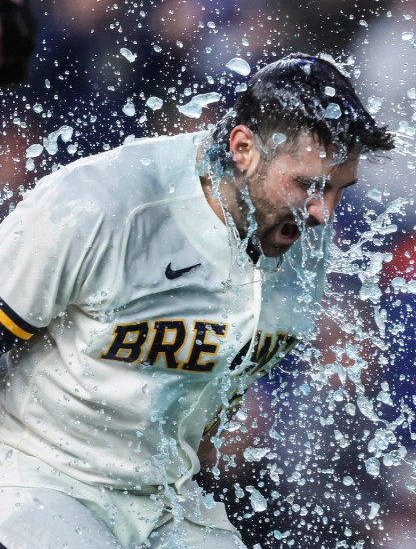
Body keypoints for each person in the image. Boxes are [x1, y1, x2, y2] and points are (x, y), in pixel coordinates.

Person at [0, 53, 394, 548]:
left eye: (340, 189)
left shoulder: (299, 235)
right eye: (308, 185)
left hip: (166, 498)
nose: (324, 212)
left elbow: (217, 400)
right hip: (38, 479)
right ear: (244, 148)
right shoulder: (100, 205)